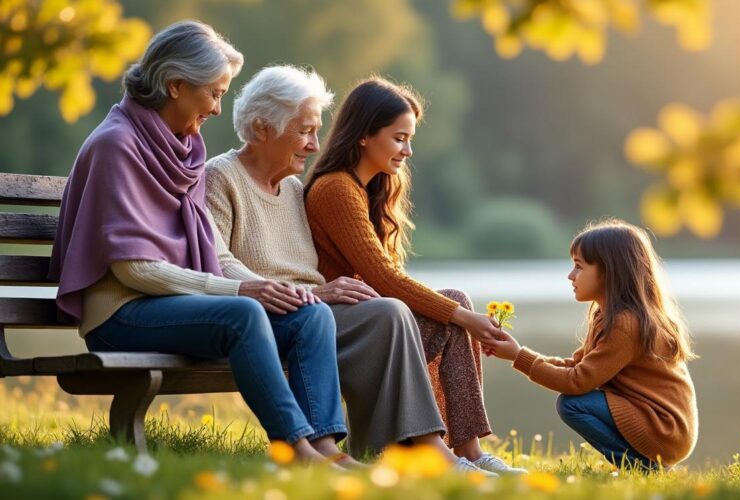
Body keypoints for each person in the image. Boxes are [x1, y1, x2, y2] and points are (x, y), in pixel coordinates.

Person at [48, 21, 352, 468]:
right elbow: (133, 270)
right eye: (213, 93)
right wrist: (241, 291)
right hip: (121, 315)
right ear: (175, 85)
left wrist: (266, 286)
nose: (216, 108)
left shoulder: (183, 147)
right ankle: (295, 448)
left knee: (310, 314)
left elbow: (210, 251)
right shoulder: (116, 145)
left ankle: (326, 449)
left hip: (175, 306)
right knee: (243, 313)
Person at [206, 65, 485, 472]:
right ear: (264, 128)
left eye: (316, 131)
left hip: (316, 312)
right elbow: (218, 262)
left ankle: (459, 449)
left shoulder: (294, 189)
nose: (313, 144)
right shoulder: (223, 176)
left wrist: (327, 290)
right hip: (277, 316)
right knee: (391, 310)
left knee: (428, 305)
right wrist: (317, 293)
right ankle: (421, 447)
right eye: (304, 132)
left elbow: (325, 269)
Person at [304, 77, 524, 474]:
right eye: (399, 138)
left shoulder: (371, 189)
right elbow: (383, 279)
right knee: (453, 310)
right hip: (340, 326)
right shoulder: (336, 188)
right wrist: (466, 321)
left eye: (410, 139)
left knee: (454, 299)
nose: (407, 150)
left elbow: (388, 278)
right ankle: (432, 449)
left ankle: (470, 452)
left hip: (374, 319)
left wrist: (459, 314)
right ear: (364, 136)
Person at [483, 219, 699, 469]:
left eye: (579, 267)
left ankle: (642, 468)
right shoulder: (609, 316)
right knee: (575, 401)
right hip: (660, 426)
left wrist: (519, 357)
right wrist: (517, 353)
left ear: (610, 272)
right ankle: (644, 465)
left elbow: (577, 381)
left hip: (664, 430)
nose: (570, 275)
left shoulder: (626, 324)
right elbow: (578, 365)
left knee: (572, 404)